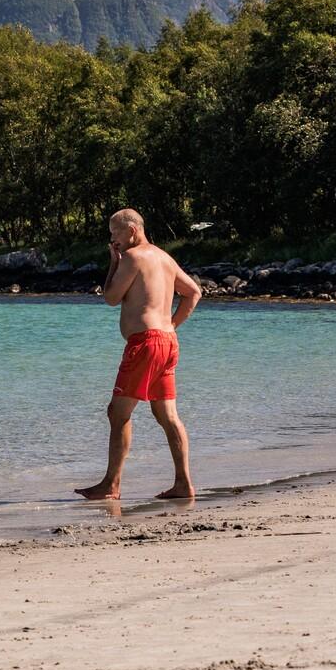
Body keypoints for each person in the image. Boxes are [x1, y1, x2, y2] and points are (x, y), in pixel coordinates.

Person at [77, 208, 201, 501]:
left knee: (117, 412)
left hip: (145, 344)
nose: (113, 239)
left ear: (132, 230)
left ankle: (111, 485)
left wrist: (113, 264)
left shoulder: (132, 258)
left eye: (115, 233)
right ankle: (183, 483)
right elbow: (193, 292)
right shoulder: (164, 258)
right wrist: (171, 324)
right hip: (168, 342)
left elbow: (110, 298)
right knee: (167, 415)